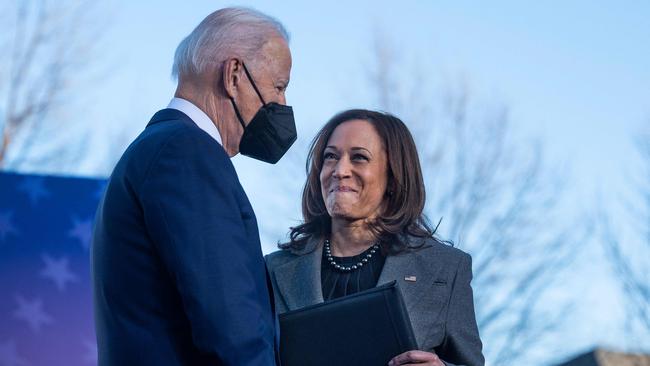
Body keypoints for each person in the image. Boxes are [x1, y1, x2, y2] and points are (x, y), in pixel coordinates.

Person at [91, 7, 295, 365]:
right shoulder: (186, 152)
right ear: (233, 75)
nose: (283, 104)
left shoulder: (156, 149)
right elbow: (232, 328)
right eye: (279, 87)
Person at [266, 109, 484, 366]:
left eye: (359, 157)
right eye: (330, 157)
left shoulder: (446, 269)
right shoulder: (273, 270)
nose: (340, 170)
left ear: (393, 176)